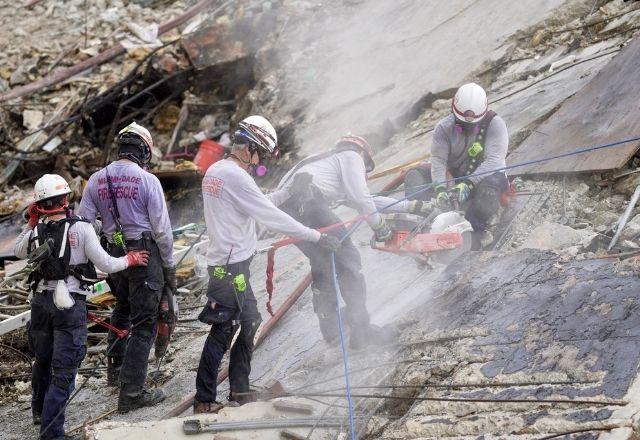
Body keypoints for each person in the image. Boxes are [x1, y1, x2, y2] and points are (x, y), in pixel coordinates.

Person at [194, 115, 341, 414]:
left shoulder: (218, 171)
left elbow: (258, 202)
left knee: (249, 319)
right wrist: (314, 236)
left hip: (229, 267)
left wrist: (288, 191)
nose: (259, 162)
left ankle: (240, 388)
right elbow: (268, 215)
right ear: (248, 147)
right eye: (260, 154)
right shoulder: (235, 176)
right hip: (229, 269)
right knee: (224, 329)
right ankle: (205, 399)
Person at [14, 174, 149, 440]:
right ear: (66, 200)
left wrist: (31, 221)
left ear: (38, 205)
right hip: (69, 305)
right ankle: (52, 433)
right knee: (64, 370)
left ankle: (39, 412)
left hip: (41, 304)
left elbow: (19, 250)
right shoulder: (82, 228)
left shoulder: (35, 231)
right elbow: (108, 264)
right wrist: (131, 259)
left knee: (42, 359)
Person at [275, 135, 430, 348]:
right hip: (307, 199)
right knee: (347, 258)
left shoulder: (324, 164)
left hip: (286, 210)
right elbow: (361, 198)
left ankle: (331, 330)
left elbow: (365, 199)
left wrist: (411, 206)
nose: (364, 172)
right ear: (362, 153)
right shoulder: (351, 156)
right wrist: (380, 226)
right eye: (365, 167)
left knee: (323, 263)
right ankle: (362, 332)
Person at [77, 121, 175, 412]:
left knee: (122, 308)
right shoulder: (148, 180)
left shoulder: (96, 180)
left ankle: (115, 372)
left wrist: (105, 235)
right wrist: (168, 267)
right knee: (144, 323)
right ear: (144, 150)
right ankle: (131, 393)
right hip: (144, 255)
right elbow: (162, 231)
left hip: (115, 254)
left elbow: (84, 224)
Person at [403, 83, 509, 246]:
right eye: (462, 124)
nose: (466, 128)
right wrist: (440, 189)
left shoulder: (496, 125)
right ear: (453, 111)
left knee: (488, 191)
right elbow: (438, 161)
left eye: (472, 125)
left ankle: (476, 233)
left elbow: (494, 162)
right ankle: (427, 222)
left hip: (487, 178)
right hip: (455, 176)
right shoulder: (443, 128)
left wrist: (469, 184)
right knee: (414, 176)